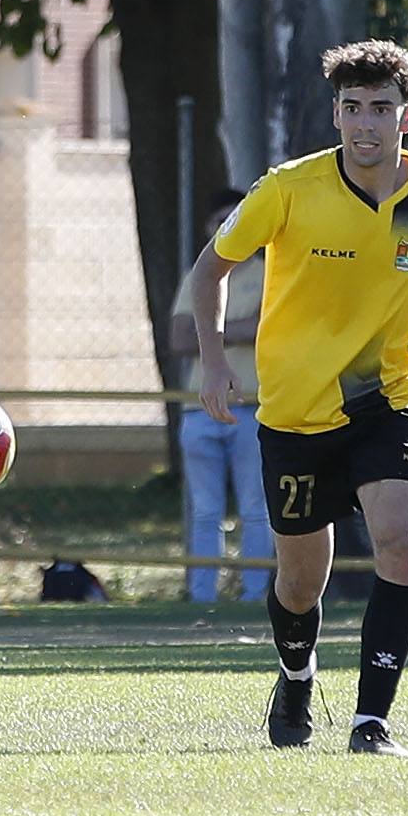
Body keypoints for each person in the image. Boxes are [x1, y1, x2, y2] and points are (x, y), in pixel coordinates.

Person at [189, 39, 408, 759]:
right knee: (302, 583)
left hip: (388, 402)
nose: (364, 122)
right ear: (335, 114)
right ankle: (296, 675)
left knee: (402, 545)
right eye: (350, 108)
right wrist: (214, 363)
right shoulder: (288, 189)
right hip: (295, 412)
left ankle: (372, 722)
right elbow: (210, 269)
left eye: (379, 107)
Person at [168, 189, 271, 604]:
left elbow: (265, 329)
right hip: (199, 410)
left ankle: (257, 594)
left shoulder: (270, 272)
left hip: (251, 407)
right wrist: (236, 329)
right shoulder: (199, 275)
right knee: (205, 512)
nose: (228, 229)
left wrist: (209, 331)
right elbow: (177, 336)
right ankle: (201, 595)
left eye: (236, 219)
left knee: (255, 508)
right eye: (219, 223)